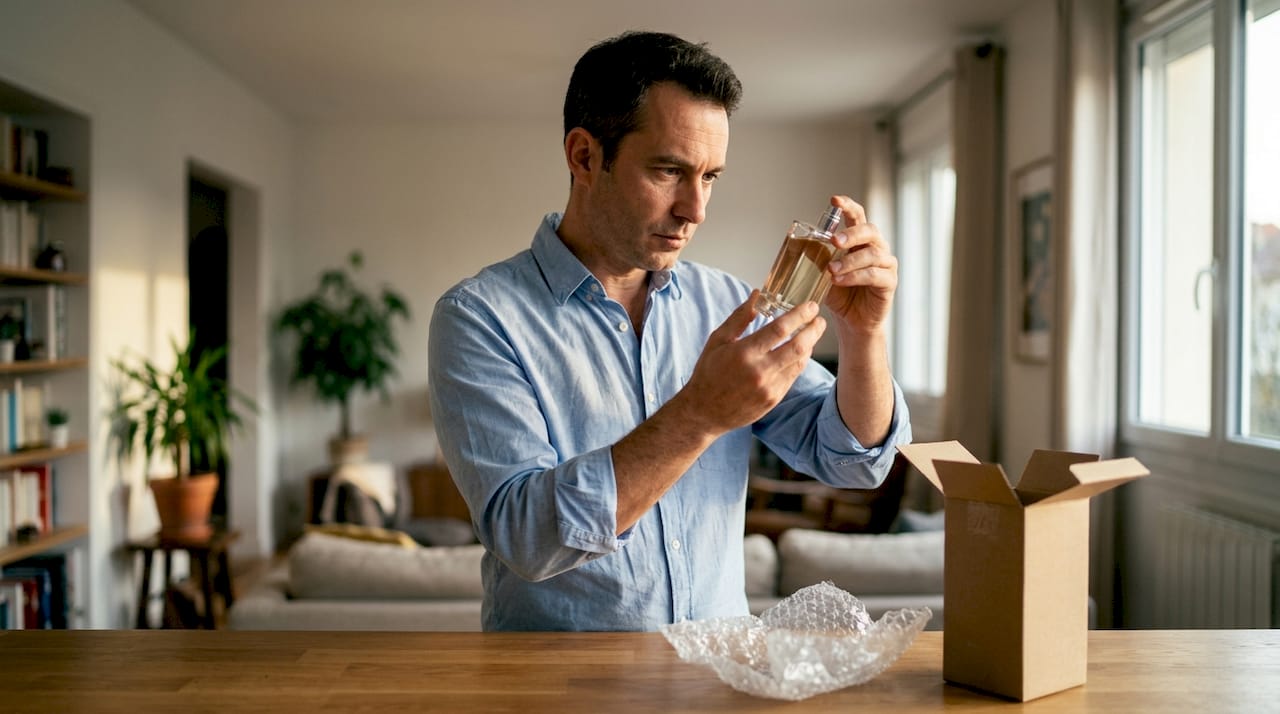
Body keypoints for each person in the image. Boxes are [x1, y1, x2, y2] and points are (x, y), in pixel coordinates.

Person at [428, 30, 911, 631]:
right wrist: (699, 415)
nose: (696, 210)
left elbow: (853, 461)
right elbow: (527, 537)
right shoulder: (480, 317)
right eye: (668, 171)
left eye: (710, 177)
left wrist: (864, 337)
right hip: (561, 686)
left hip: (718, 675)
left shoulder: (729, 304)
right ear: (584, 156)